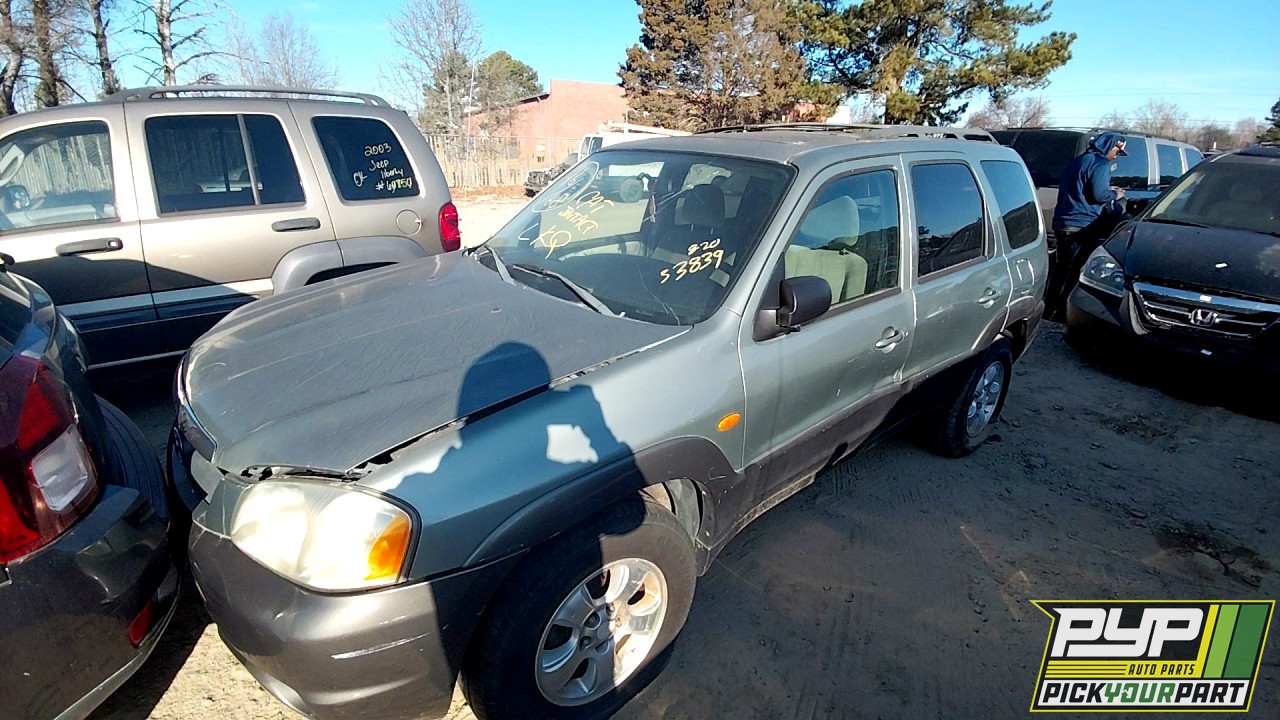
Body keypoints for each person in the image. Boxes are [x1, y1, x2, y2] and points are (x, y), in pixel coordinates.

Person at [1046, 132, 1128, 320]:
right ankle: (1062, 313)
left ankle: (1047, 308)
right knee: (1076, 271)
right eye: (1117, 150)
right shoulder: (1100, 164)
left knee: (1060, 268)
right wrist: (1116, 194)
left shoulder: (1078, 161)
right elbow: (1099, 195)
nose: (1116, 155)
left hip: (1061, 222)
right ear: (1109, 146)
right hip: (1083, 225)